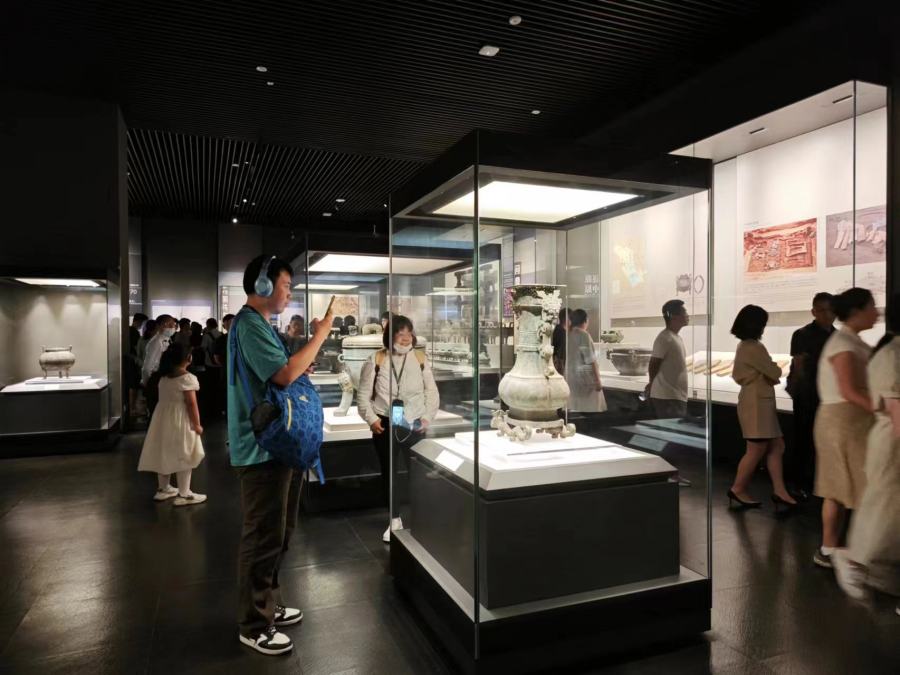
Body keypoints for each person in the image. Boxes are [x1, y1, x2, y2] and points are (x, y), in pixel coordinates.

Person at [228, 254, 334, 656]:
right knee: (262, 535)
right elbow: (284, 374)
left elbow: (284, 371)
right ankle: (254, 624)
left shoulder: (260, 326)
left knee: (279, 531)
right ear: (264, 285)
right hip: (261, 447)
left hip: (275, 445)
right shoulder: (249, 325)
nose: (289, 293)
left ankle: (269, 603)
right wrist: (321, 334)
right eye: (286, 285)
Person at [831, 294, 900, 608]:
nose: (875, 312)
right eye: (870, 306)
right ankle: (853, 559)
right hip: (890, 445)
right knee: (883, 511)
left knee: (884, 510)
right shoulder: (891, 355)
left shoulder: (885, 350)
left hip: (885, 440)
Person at [357, 315, 439, 543]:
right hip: (385, 423)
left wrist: (427, 418)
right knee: (389, 474)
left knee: (418, 473)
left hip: (414, 424)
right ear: (389, 336)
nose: (405, 338)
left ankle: (421, 518)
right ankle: (394, 519)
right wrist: (372, 419)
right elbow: (363, 396)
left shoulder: (420, 358)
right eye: (400, 334)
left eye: (409, 334)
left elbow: (431, 391)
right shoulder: (376, 359)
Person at [812, 288, 877, 568]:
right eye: (871, 306)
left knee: (839, 486)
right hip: (843, 422)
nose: (876, 312)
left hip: (850, 421)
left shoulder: (850, 340)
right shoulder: (843, 343)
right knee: (840, 486)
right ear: (856, 311)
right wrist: (884, 408)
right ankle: (833, 548)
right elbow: (849, 390)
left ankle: (833, 547)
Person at [727, 305, 797, 512]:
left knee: (776, 446)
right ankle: (738, 488)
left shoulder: (746, 346)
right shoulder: (753, 347)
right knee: (756, 449)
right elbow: (774, 372)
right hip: (756, 404)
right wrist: (772, 370)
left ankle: (779, 491)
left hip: (758, 402)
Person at [137, 342, 206, 506]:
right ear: (188, 358)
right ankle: (184, 493)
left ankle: (163, 488)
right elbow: (191, 404)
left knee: (164, 452)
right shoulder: (187, 378)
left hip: (161, 420)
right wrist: (197, 424)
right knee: (184, 453)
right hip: (181, 420)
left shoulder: (163, 378)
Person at [785, 293, 835, 498]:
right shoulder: (802, 334)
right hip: (808, 396)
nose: (827, 314)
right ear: (813, 311)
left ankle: (819, 484)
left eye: (830, 310)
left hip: (829, 397)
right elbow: (799, 366)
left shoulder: (837, 336)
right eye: (822, 310)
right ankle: (799, 483)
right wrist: (801, 392)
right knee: (803, 440)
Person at [647, 299, 690, 419]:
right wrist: (651, 383)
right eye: (684, 312)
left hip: (674, 396)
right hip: (667, 397)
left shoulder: (675, 338)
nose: (687, 315)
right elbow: (654, 363)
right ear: (674, 317)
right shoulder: (665, 338)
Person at [566, 309, 607, 413]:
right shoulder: (583, 335)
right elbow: (590, 359)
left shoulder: (569, 335)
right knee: (589, 408)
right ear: (585, 321)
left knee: (575, 406)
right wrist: (597, 380)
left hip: (570, 376)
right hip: (584, 378)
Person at [142, 314, 177, 417]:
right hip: (156, 379)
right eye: (171, 325)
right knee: (155, 413)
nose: (173, 328)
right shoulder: (156, 342)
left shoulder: (167, 339)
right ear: (164, 325)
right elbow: (147, 366)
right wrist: (147, 383)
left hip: (163, 379)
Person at [552, 307, 569, 375]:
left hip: (558, 360)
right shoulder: (562, 331)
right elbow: (561, 351)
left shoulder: (558, 329)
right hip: (560, 362)